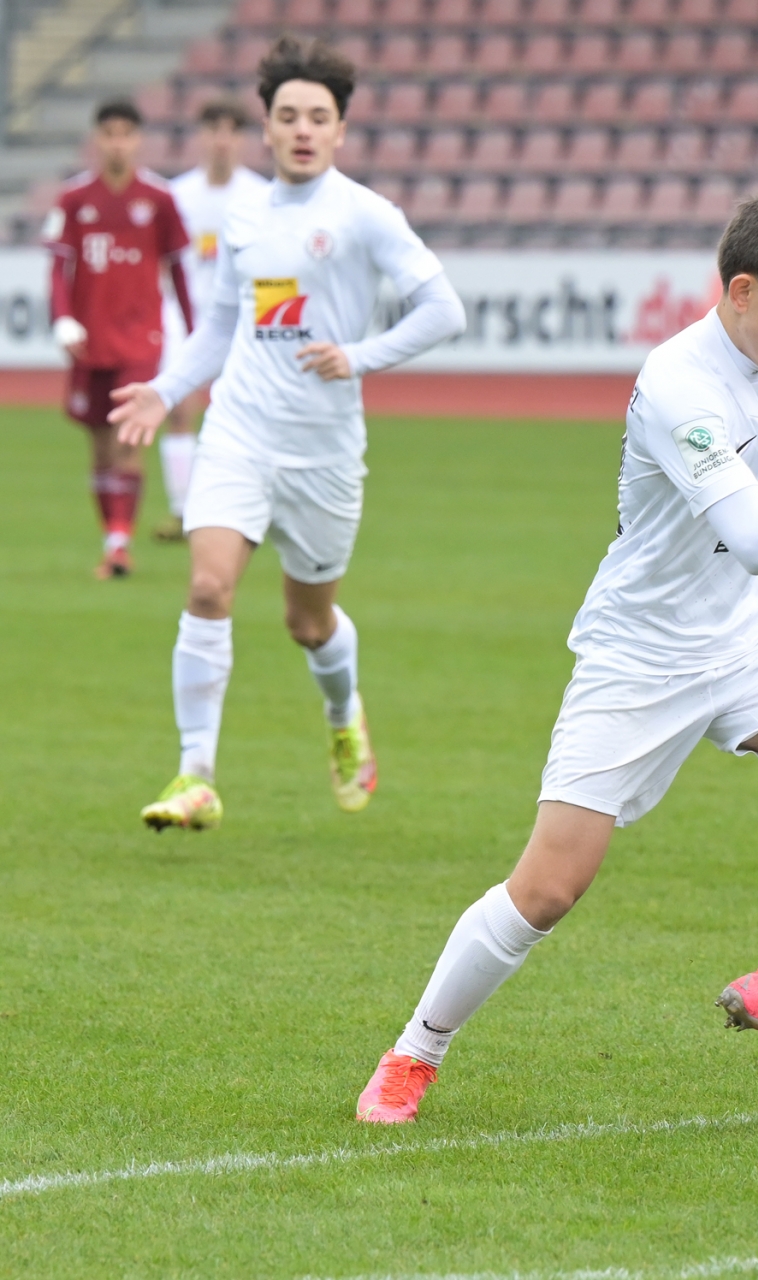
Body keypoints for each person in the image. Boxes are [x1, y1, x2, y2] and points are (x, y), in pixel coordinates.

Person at [352, 191, 758, 1125]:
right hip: (638, 661)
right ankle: (413, 1056)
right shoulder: (679, 390)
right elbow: (757, 537)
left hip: (741, 645)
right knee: (547, 889)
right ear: (740, 292)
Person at [109, 37, 466, 831]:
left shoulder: (367, 215)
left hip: (324, 451)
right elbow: (222, 329)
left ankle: (345, 717)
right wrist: (165, 392)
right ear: (265, 129)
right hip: (239, 430)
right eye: (287, 116)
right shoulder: (243, 218)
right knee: (206, 588)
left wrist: (360, 357)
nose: (302, 129)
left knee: (308, 623)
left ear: (340, 131)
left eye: (319, 117)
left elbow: (446, 310)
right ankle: (194, 773)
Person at [44, 99, 192, 578]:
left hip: (140, 341)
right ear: (97, 139)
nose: (117, 143)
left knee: (129, 440)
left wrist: (190, 332)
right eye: (109, 133)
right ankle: (112, 535)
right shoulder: (73, 199)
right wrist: (63, 318)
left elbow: (179, 270)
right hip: (91, 342)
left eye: (126, 133)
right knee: (100, 447)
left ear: (138, 140)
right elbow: (57, 269)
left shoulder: (160, 198)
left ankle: (120, 544)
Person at [155, 100, 270, 543]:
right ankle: (184, 511)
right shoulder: (176, 195)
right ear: (199, 137)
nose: (221, 140)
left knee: (248, 411)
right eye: (213, 129)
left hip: (242, 320)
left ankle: (249, 506)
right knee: (181, 411)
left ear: (242, 139)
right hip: (184, 317)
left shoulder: (259, 195)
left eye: (230, 130)